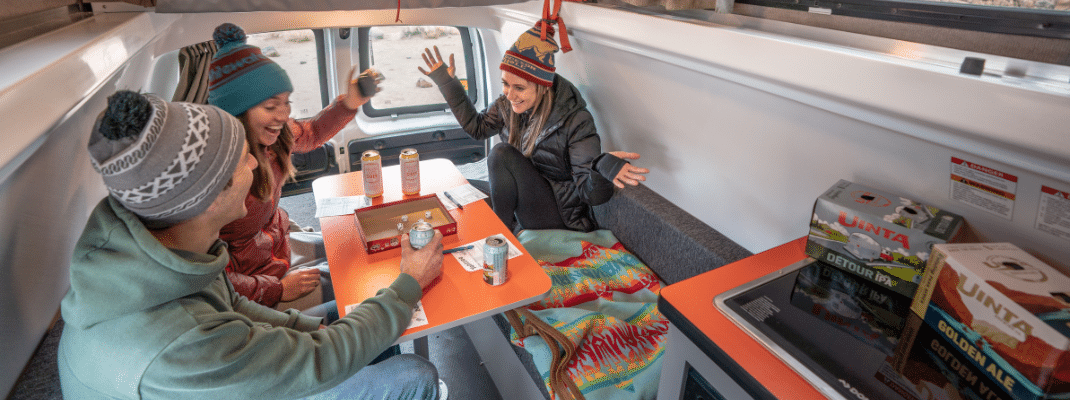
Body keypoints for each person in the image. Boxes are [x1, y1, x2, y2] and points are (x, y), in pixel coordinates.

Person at [58, 90, 444, 399]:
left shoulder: (167, 252)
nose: (257, 167)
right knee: (415, 376)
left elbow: (235, 306)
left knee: (352, 312)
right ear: (207, 196)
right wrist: (408, 281)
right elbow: (320, 360)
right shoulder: (180, 348)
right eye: (243, 161)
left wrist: (310, 327)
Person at [207, 23, 382, 317]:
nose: (283, 114)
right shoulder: (217, 176)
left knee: (359, 249)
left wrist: (350, 102)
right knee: (362, 294)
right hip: (252, 283)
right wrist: (278, 289)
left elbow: (311, 132)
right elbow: (212, 278)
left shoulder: (276, 137)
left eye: (286, 103)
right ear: (236, 111)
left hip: (276, 246)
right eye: (271, 106)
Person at [418, 22, 649, 233]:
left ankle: (501, 235)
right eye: (505, 84)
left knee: (500, 153)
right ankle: (501, 227)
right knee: (461, 192)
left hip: (558, 213)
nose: (509, 94)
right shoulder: (507, 105)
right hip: (524, 195)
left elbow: (590, 194)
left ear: (543, 87)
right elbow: (478, 128)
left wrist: (601, 167)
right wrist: (447, 83)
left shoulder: (576, 120)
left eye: (519, 88)